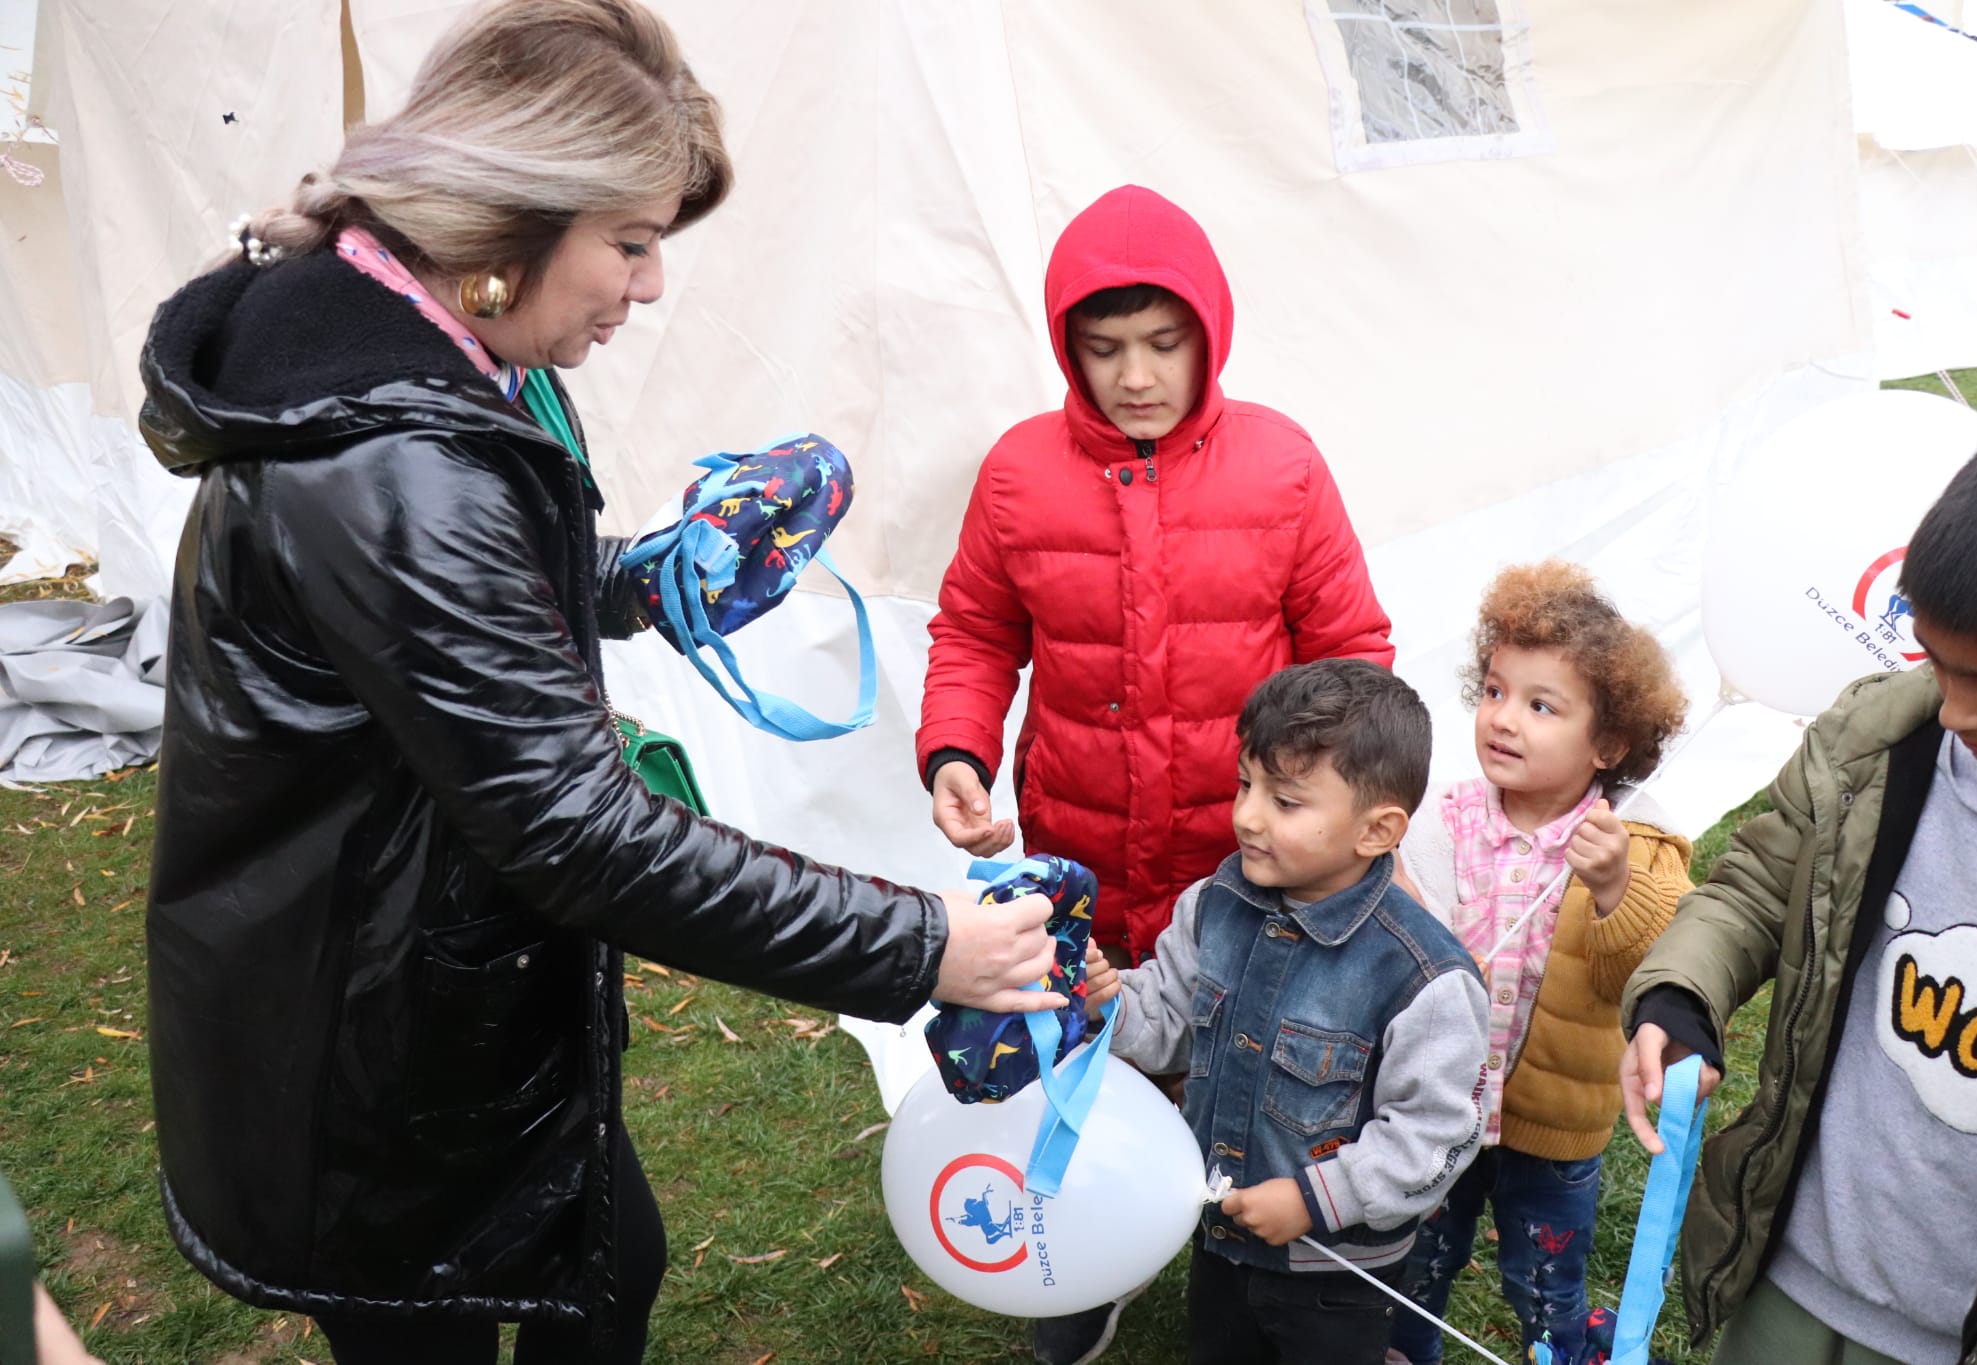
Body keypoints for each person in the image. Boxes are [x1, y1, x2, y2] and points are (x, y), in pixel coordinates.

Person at [136, 4, 1058, 1363]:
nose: (651, 285)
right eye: (630, 243)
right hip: (368, 1040)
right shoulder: (392, 461)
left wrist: (637, 580)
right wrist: (926, 946)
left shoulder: (399, 355)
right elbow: (576, 825)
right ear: (512, 224)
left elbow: (449, 613)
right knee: (450, 1329)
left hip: (420, 974)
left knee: (608, 1270)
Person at [1620, 415, 1977, 1364]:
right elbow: (1755, 888)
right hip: (1797, 1275)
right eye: (1938, 662)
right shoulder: (1879, 747)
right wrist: (1679, 996)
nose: (1961, 708)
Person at [917, 183, 1396, 972]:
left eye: (1165, 343)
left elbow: (1350, 654)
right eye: (1105, 350)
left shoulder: (1285, 468)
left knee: (1234, 1067)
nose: (1136, 376)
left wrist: (1310, 810)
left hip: (1247, 859)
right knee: (1102, 1061)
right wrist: (957, 753)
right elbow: (975, 633)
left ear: (1210, 334)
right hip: (1081, 856)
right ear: (1070, 347)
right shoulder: (1017, 474)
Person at [1087, 659, 1490, 1365]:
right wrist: (1105, 998)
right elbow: (1164, 1022)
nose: (1247, 814)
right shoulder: (1216, 903)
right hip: (1221, 1239)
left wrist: (1315, 1197)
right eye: (1246, 783)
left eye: (1287, 800)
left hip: (1336, 1277)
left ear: (1377, 829)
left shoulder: (1424, 976)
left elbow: (1437, 1137)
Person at [1388, 562, 1692, 1365]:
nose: (1504, 719)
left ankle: (1559, 1347)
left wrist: (1613, 886)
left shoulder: (1637, 842)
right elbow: (1403, 942)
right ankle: (1397, 1350)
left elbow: (1639, 973)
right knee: (1416, 1258)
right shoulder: (1441, 816)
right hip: (1439, 1102)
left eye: (1540, 704)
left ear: (1609, 742)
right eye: (1494, 691)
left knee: (1544, 1274)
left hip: (1554, 1127)